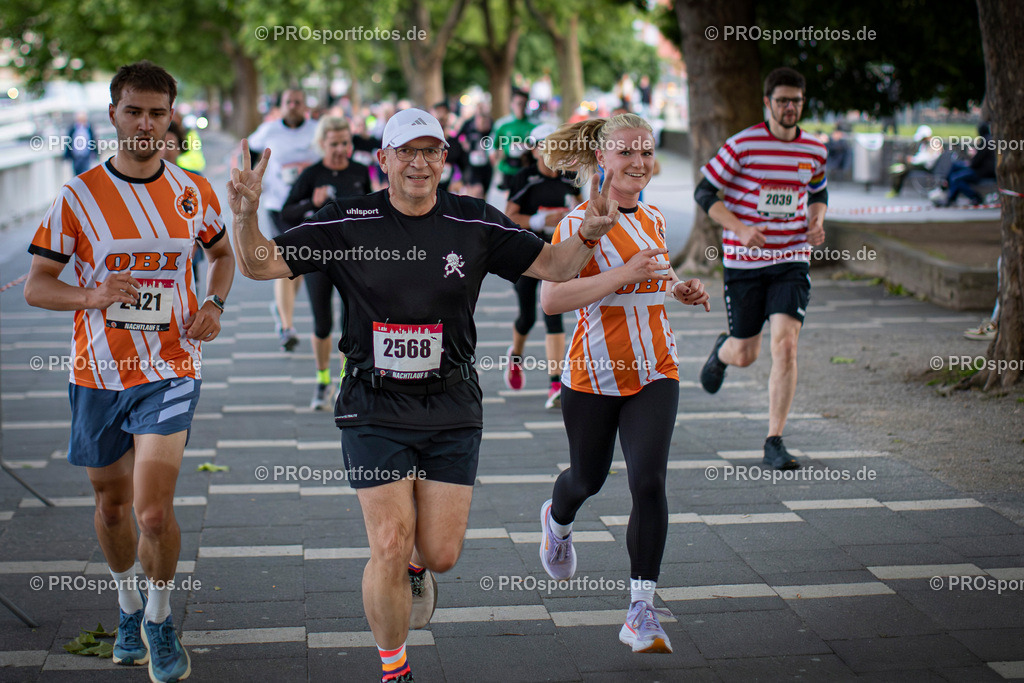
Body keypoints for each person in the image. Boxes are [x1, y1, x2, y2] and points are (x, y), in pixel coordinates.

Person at [227, 108, 623, 683]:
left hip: (452, 402)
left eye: (430, 151)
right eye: (404, 151)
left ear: (444, 159)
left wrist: (589, 231)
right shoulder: (345, 220)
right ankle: (395, 667)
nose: (418, 162)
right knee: (387, 541)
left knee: (439, 553)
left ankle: (419, 566)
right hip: (373, 402)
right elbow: (260, 265)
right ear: (382, 159)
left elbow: (556, 264)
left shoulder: (476, 222)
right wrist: (244, 216)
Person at [24, 60, 234, 683]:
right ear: (113, 115)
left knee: (150, 511)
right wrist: (91, 296)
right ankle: (126, 603)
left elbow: (221, 254)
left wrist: (215, 305)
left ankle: (161, 618)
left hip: (171, 367)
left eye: (157, 112)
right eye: (134, 111)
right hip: (96, 372)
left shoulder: (193, 191)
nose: (146, 124)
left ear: (172, 117)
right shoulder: (77, 196)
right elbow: (37, 287)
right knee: (112, 506)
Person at [537, 113, 711, 654]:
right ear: (603, 158)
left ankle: (641, 609)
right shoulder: (577, 225)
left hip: (656, 369)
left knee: (650, 483)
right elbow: (553, 299)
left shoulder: (654, 217)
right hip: (591, 374)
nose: (639, 162)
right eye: (627, 152)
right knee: (587, 479)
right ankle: (557, 519)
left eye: (647, 151)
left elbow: (659, 277)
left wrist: (680, 290)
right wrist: (623, 275)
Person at [693, 66, 828, 470]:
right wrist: (741, 228)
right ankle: (723, 350)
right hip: (744, 263)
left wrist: (817, 220)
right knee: (747, 354)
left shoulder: (815, 150)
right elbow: (704, 193)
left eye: (797, 101)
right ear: (767, 103)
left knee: (785, 345)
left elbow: (818, 191)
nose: (790, 108)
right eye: (782, 100)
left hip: (791, 259)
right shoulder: (742, 145)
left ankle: (774, 440)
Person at [281, 116, 371, 409]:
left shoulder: (359, 172)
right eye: (334, 144)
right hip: (318, 260)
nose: (340, 149)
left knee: (353, 324)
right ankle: (322, 380)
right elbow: (286, 215)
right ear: (322, 144)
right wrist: (311, 203)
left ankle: (347, 380)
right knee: (323, 323)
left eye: (345, 143)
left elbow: (372, 212)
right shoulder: (311, 174)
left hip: (354, 260)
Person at [502, 123, 582, 408]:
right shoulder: (526, 177)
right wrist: (537, 221)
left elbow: (583, 211)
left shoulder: (570, 177)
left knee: (554, 314)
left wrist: (572, 213)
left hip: (557, 254)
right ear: (535, 151)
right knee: (527, 317)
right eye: (546, 146)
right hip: (527, 254)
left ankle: (555, 382)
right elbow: (508, 218)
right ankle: (515, 357)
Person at [248, 89, 319, 351]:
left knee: (296, 267)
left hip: (309, 207)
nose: (293, 106)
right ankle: (286, 327)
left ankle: (281, 312)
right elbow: (251, 152)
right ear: (281, 105)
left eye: (298, 102)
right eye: (288, 102)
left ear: (304, 106)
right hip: (279, 206)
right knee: (289, 261)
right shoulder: (269, 130)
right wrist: (252, 181)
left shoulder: (316, 129)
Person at [492, 89, 536, 190]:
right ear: (512, 104)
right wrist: (497, 168)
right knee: (511, 200)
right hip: (508, 169)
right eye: (518, 104)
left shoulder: (533, 126)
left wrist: (527, 148)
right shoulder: (502, 125)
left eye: (524, 104)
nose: (521, 107)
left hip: (526, 168)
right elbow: (494, 147)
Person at [888, 125, 942, 197]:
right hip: (923, 164)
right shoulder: (927, 143)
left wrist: (913, 159)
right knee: (902, 166)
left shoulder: (933, 143)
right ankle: (896, 174)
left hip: (927, 166)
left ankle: (895, 187)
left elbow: (926, 158)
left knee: (903, 168)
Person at [456, 105, 494, 198]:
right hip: (472, 164)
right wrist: (464, 143)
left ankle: (481, 209)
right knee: (477, 190)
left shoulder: (491, 125)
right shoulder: (468, 124)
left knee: (484, 192)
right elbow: (459, 136)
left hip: (486, 164)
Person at [64, 111, 98, 176]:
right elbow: (69, 142)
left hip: (86, 155)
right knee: (77, 175)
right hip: (76, 156)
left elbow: (93, 140)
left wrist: (95, 152)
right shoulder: (73, 129)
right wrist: (67, 155)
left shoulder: (88, 128)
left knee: (86, 173)